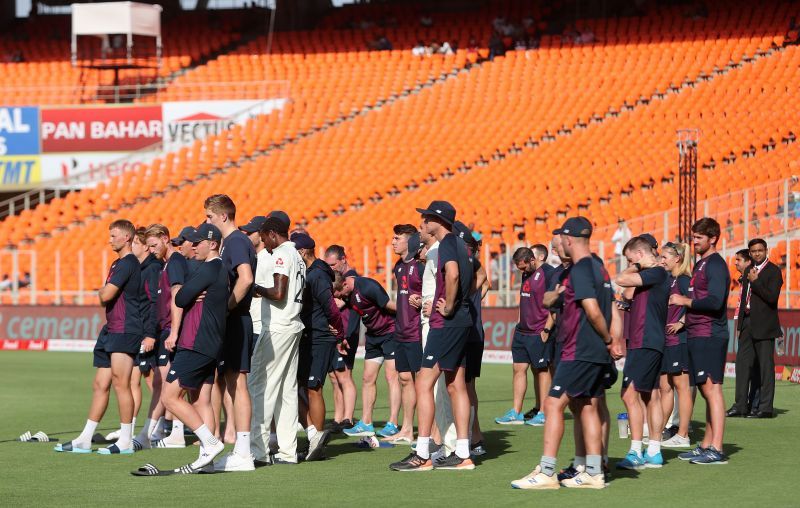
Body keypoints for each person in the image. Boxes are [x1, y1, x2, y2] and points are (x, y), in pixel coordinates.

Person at [511, 217, 616, 489]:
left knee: (554, 403)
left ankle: (546, 472)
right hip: (591, 351)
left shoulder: (581, 269)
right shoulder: (598, 268)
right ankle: (593, 471)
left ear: (568, 240)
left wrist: (607, 337)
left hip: (579, 349)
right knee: (586, 405)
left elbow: (592, 309)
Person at [390, 200, 475, 471]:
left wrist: (449, 305)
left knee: (424, 382)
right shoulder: (460, 244)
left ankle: (423, 453)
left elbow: (453, 275)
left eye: (425, 218)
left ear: (437, 220)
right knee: (455, 384)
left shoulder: (447, 243)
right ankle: (463, 453)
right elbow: (472, 278)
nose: (422, 224)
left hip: (446, 322)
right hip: (461, 322)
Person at [56, 220, 143, 455]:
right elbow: (104, 294)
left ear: (127, 238)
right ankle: (85, 438)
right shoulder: (118, 264)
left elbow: (106, 294)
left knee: (120, 383)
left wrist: (101, 292)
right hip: (112, 328)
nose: (110, 239)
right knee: (100, 384)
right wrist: (102, 292)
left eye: (114, 235)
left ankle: (126, 440)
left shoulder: (128, 263)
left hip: (126, 328)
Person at [160, 223, 228, 473]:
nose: (193, 246)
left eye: (198, 242)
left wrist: (192, 290)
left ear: (212, 244)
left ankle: (210, 444)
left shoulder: (210, 268)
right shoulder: (221, 269)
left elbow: (180, 297)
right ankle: (207, 460)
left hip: (195, 341)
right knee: (202, 401)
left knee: (169, 396)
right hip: (210, 342)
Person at [669, 218, 731, 465]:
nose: (694, 242)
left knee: (711, 388)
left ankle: (717, 448)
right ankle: (707, 443)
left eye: (699, 238)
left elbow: (716, 301)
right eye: (693, 237)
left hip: (710, 333)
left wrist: (685, 302)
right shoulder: (701, 264)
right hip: (697, 333)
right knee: (706, 390)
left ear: (712, 238)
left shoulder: (715, 264)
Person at [203, 194, 256, 472]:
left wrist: (226, 307)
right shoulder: (232, 243)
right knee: (233, 385)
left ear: (223, 216)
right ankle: (241, 449)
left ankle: (244, 452)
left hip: (236, 320)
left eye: (210, 216)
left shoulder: (235, 241)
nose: (207, 221)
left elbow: (245, 278)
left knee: (239, 385)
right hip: (233, 321)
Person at [251, 216, 306, 464]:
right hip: (292, 325)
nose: (264, 243)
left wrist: (257, 288)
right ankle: (287, 451)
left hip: (278, 327)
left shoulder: (282, 255)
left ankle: (259, 451)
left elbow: (278, 292)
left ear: (273, 234)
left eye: (264, 237)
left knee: (262, 386)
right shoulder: (298, 256)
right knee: (287, 390)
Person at [133, 224, 190, 449]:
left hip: (171, 330)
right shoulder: (167, 264)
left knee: (169, 385)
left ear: (166, 239)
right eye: (148, 246)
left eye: (154, 245)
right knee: (161, 384)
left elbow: (177, 294)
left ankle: (174, 432)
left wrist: (174, 331)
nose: (152, 250)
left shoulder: (175, 262)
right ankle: (150, 432)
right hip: (166, 328)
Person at [614, 236, 670, 470]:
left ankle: (636, 450)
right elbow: (627, 292)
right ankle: (654, 451)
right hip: (648, 338)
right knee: (650, 395)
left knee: (629, 394)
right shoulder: (656, 274)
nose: (629, 262)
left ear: (638, 255)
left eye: (630, 258)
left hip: (645, 339)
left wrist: (637, 265)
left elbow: (621, 278)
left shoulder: (656, 272)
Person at [295, 232, 343, 460]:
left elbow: (330, 306)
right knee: (299, 387)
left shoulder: (317, 276)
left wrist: (339, 330)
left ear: (303, 252)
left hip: (319, 337)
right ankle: (314, 435)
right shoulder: (311, 273)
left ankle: (317, 439)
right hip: (308, 336)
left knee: (314, 388)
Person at [496, 246, 552, 426]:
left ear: (532, 260)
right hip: (522, 331)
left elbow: (554, 304)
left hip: (538, 332)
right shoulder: (525, 273)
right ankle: (516, 412)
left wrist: (547, 330)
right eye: (519, 268)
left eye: (523, 267)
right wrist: (519, 322)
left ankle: (543, 412)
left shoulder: (548, 273)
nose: (521, 271)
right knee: (518, 369)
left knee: (542, 371)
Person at [340, 272, 399, 438]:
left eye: (339, 293)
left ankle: (393, 424)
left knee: (391, 377)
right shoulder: (347, 294)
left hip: (390, 333)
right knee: (367, 378)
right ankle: (366, 423)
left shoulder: (368, 286)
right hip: (372, 337)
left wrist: (411, 316)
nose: (339, 297)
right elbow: (353, 315)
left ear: (345, 284)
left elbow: (390, 305)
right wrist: (346, 337)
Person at [731, 239, 783, 419]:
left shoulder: (773, 271)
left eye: (760, 250)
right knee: (743, 365)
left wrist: (755, 281)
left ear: (766, 250)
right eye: (753, 251)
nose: (757, 254)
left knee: (765, 368)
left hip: (765, 325)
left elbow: (771, 298)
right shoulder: (748, 271)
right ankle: (740, 406)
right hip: (747, 323)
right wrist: (740, 324)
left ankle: (765, 407)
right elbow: (743, 298)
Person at [387, 225, 424, 444]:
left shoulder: (420, 266)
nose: (393, 242)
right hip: (400, 329)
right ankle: (407, 429)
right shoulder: (399, 266)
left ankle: (428, 431)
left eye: (397, 238)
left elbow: (432, 290)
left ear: (409, 242)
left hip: (416, 331)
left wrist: (422, 300)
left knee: (422, 382)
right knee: (404, 379)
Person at [126, 227, 162, 447]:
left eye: (135, 244)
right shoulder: (140, 268)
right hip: (140, 330)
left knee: (154, 381)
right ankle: (130, 428)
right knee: (138, 379)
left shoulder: (153, 269)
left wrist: (149, 334)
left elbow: (154, 303)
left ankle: (161, 426)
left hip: (149, 332)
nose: (131, 248)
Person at [658, 242, 694, 449]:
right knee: (665, 388)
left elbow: (695, 303)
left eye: (665, 257)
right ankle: (659, 431)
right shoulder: (670, 280)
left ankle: (683, 434)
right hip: (666, 341)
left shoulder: (683, 279)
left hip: (678, 341)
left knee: (682, 388)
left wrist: (682, 322)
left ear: (677, 259)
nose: (661, 260)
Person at [324, 245, 359, 431]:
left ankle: (348, 417)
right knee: (334, 377)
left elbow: (341, 303)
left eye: (334, 264)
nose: (331, 268)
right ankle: (338, 417)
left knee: (344, 375)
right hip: (334, 333)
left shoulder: (352, 278)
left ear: (343, 259)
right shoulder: (335, 278)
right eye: (328, 265)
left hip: (345, 333)